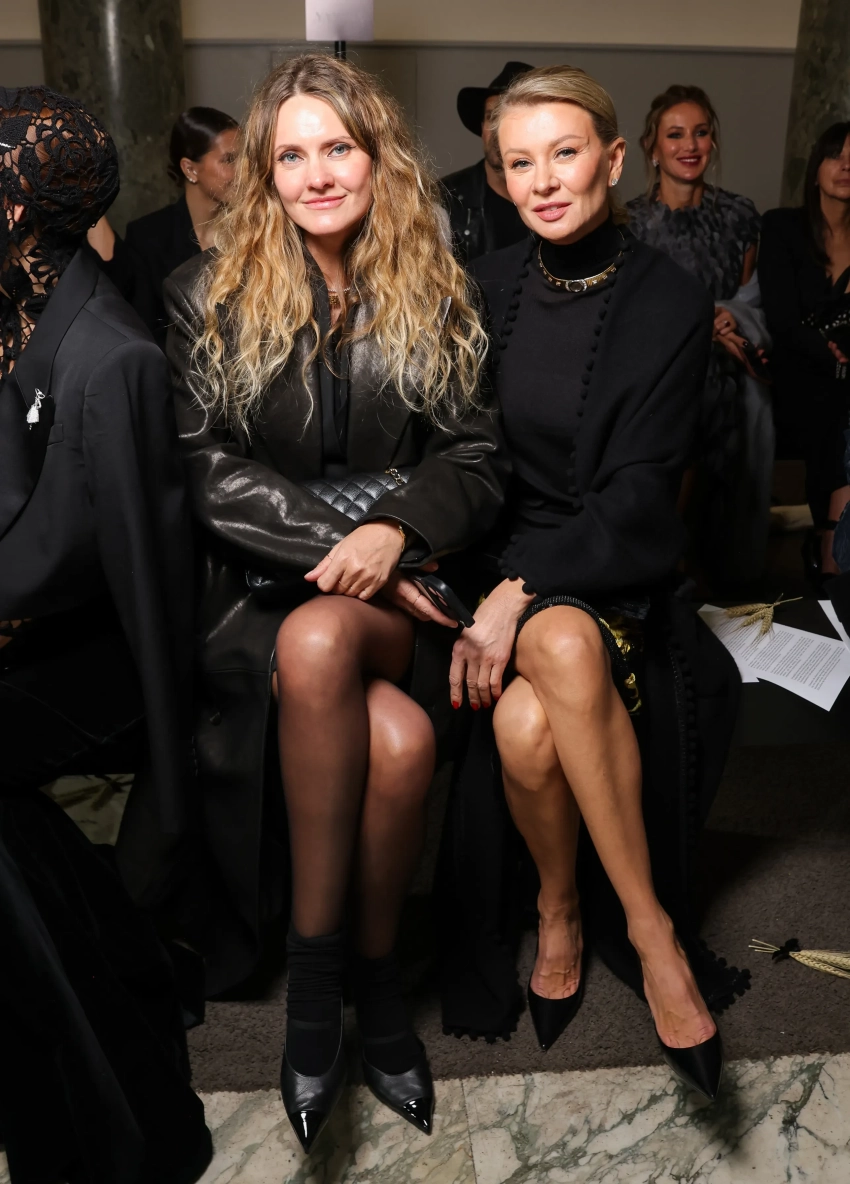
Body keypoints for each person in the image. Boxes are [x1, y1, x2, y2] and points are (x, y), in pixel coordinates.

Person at [164, 54, 505, 1152]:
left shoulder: (440, 285)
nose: (317, 174)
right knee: (398, 742)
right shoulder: (204, 292)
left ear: (377, 157)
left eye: (338, 148)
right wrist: (350, 546)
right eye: (291, 155)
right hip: (261, 586)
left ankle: (312, 992)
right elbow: (205, 469)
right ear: (265, 173)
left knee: (324, 639)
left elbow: (476, 455)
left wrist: (396, 534)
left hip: (402, 593)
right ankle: (369, 979)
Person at [449, 65, 726, 1101]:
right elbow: (461, 459)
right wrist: (491, 580)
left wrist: (521, 591)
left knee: (534, 709)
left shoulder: (670, 299)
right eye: (520, 162)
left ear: (612, 160)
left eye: (564, 154)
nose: (544, 180)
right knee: (540, 684)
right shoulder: (484, 287)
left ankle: (606, 920)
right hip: (494, 558)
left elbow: (645, 493)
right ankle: (611, 921)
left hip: (612, 558)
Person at [0, 87, 210, 1183]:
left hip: (102, 658)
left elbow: (149, 581)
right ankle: (126, 968)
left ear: (23, 206)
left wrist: (171, 797)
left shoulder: (116, 354)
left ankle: (106, 1118)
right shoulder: (13, 302)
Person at [627, 85, 771, 589]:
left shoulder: (740, 215)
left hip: (733, 377)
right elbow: (627, 314)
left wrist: (731, 317)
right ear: (652, 146)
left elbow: (751, 300)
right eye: (675, 134)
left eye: (701, 132)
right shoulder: (630, 223)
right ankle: (668, 574)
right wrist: (695, 324)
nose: (690, 145)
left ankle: (722, 586)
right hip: (661, 378)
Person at [760, 122, 850, 582]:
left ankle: (830, 541)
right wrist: (829, 352)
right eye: (836, 155)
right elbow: (782, 320)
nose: (847, 166)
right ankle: (831, 540)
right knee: (834, 403)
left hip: (846, 374)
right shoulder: (782, 226)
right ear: (816, 168)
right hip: (795, 372)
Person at [89, 106, 238, 346]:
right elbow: (144, 331)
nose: (245, 170)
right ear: (190, 169)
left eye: (246, 158)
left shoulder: (254, 229)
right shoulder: (149, 237)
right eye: (230, 159)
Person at [442, 60, 532, 262]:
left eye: (513, 119)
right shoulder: (445, 200)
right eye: (492, 117)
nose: (499, 131)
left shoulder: (561, 197)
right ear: (482, 127)